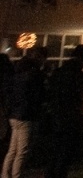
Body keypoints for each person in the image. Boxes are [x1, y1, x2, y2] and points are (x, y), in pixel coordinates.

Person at [43, 43, 83, 178]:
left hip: (56, 115)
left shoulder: (59, 71)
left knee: (55, 151)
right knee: (65, 153)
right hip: (71, 118)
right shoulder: (78, 75)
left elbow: (50, 91)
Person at [3, 48, 45, 178]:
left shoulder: (17, 72)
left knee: (13, 149)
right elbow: (37, 96)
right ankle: (16, 175)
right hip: (25, 115)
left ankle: (5, 174)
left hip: (14, 114)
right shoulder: (34, 75)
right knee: (22, 150)